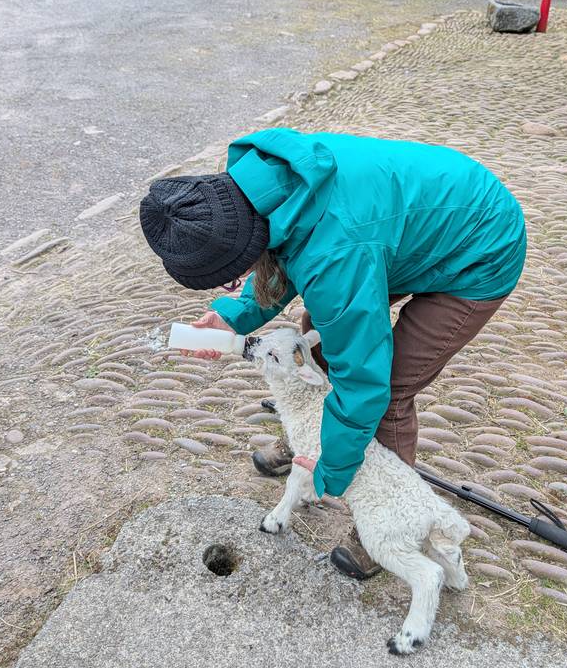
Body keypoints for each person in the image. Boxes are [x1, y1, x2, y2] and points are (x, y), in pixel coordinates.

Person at [140, 128, 526, 579]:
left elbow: (364, 381)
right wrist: (233, 314)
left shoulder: (335, 253)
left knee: (392, 388)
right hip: (399, 230)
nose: (236, 279)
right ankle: (310, 436)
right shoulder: (250, 187)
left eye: (231, 277)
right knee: (319, 329)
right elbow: (284, 248)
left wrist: (332, 469)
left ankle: (384, 521)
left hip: (478, 249)